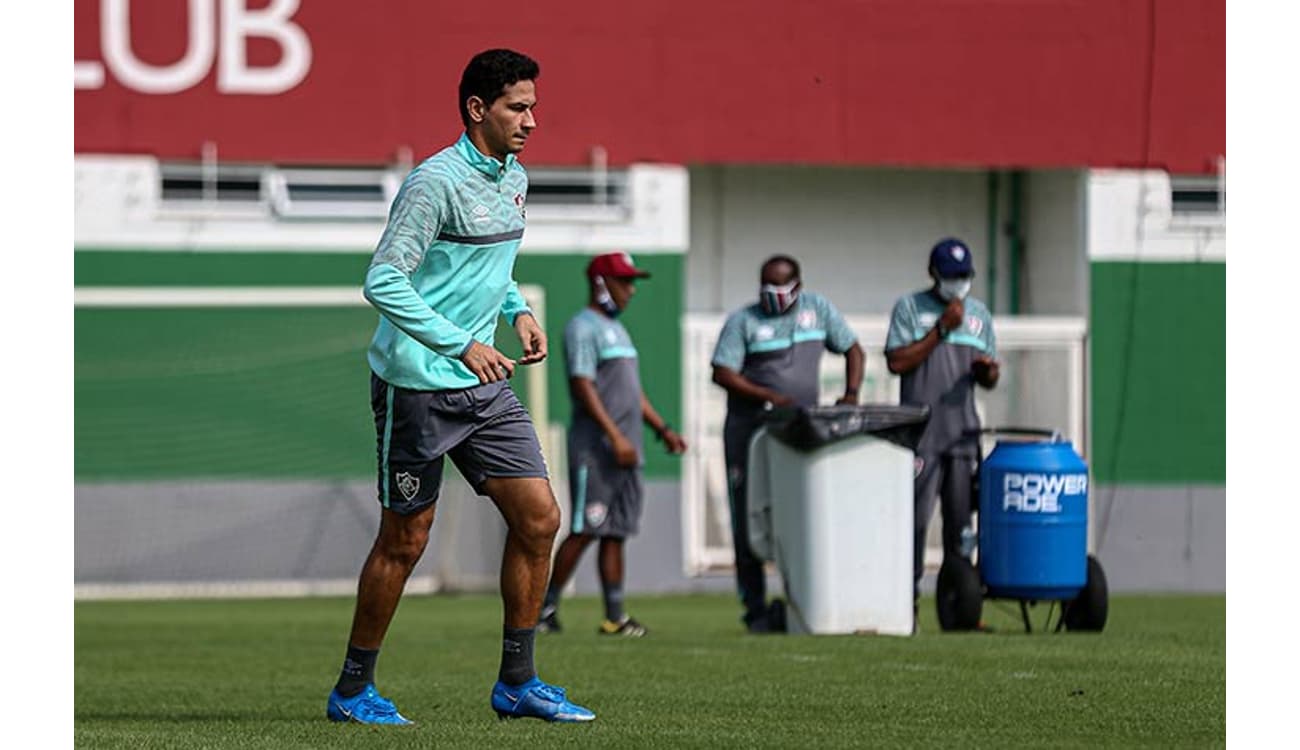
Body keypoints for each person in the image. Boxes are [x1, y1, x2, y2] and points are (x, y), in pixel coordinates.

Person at [325, 48, 595, 725]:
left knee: (540, 520)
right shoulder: (433, 183)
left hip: (484, 387)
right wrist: (462, 343)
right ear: (478, 109)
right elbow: (383, 280)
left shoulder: (514, 179)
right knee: (405, 542)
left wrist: (517, 312)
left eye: (534, 107)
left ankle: (517, 684)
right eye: (518, 108)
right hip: (417, 386)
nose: (532, 120)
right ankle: (353, 690)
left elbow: (487, 266)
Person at [536, 252, 688, 638]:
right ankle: (543, 609)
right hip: (596, 448)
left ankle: (614, 617)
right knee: (586, 527)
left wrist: (661, 429)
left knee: (616, 531)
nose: (631, 290)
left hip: (627, 448)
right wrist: (615, 436)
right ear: (602, 282)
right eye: (624, 281)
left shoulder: (618, 330)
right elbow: (582, 386)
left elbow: (632, 394)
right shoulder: (581, 327)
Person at [710, 255, 864, 632]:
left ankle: (809, 600)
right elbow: (722, 372)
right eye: (766, 286)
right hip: (751, 430)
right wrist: (768, 395)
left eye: (779, 286)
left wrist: (851, 394)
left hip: (799, 429)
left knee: (804, 514)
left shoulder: (818, 310)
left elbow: (853, 348)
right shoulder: (744, 320)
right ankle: (756, 609)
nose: (772, 295)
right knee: (749, 519)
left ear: (797, 285)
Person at [884, 237, 999, 627]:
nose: (959, 283)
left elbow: (990, 374)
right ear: (933, 274)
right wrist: (940, 331)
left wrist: (988, 372)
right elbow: (897, 362)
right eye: (952, 276)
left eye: (965, 276)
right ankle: (905, 606)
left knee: (961, 526)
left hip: (963, 435)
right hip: (920, 435)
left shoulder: (980, 314)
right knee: (914, 522)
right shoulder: (910, 308)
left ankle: (961, 608)